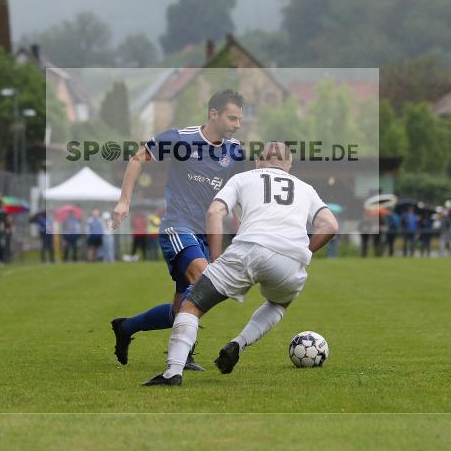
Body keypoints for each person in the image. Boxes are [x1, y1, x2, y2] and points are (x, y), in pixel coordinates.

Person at [142, 142, 338, 386]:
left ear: (258, 161)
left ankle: (173, 372)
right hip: (289, 262)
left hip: (248, 249)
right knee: (278, 304)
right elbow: (330, 225)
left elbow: (215, 213)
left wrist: (215, 259)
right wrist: (304, 251)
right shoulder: (306, 188)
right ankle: (239, 343)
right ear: (288, 166)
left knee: (192, 305)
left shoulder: (242, 178)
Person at [111, 89, 246, 371]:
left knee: (179, 311)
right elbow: (137, 159)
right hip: (178, 226)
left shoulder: (235, 152)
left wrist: (245, 223)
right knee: (204, 278)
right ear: (214, 114)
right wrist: (124, 201)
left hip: (206, 234)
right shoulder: (181, 139)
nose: (237, 125)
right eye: (232, 118)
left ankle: (127, 327)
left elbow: (238, 195)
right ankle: (183, 356)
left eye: (239, 119)